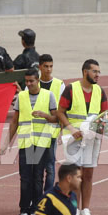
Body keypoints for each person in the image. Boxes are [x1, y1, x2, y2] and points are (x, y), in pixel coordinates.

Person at [2, 68, 58, 215]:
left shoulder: (48, 95)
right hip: (26, 142)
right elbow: (15, 121)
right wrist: (6, 143)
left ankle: (36, 209)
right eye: (26, 81)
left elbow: (56, 118)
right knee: (25, 176)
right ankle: (24, 209)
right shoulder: (21, 97)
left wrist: (44, 115)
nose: (28, 84)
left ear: (38, 80)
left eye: (31, 81)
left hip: (41, 142)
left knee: (38, 176)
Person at [57, 59, 108, 215]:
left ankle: (85, 209)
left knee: (88, 174)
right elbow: (60, 112)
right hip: (73, 139)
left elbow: (105, 115)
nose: (97, 75)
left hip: (91, 139)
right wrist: (71, 129)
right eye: (94, 71)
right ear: (85, 72)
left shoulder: (100, 91)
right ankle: (74, 209)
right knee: (75, 174)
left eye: (99, 72)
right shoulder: (71, 89)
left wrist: (101, 127)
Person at [39, 53, 64, 191]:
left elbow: (63, 108)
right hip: (35, 132)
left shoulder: (59, 84)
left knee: (49, 166)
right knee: (36, 167)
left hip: (52, 131)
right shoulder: (33, 83)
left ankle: (48, 195)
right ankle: (37, 197)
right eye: (46, 66)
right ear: (40, 67)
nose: (49, 69)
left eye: (51, 66)